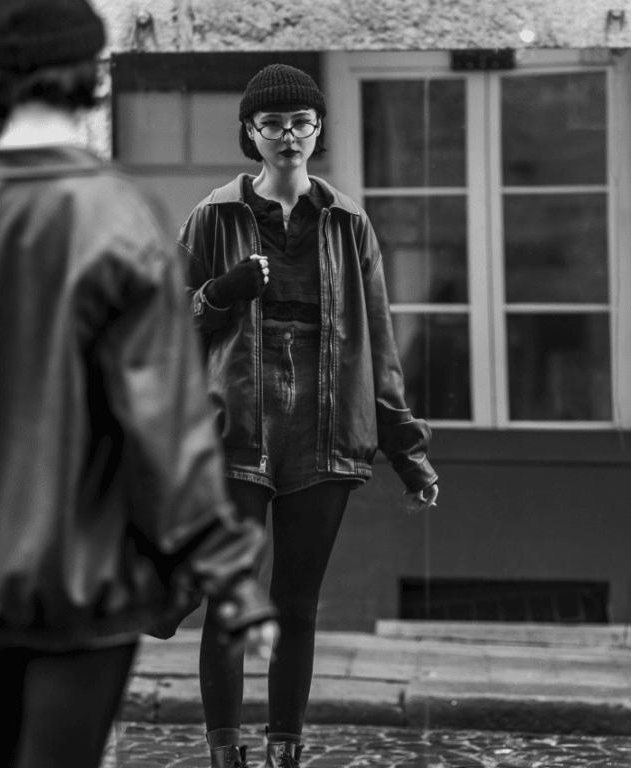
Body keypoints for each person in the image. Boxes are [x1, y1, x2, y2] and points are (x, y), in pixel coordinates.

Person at [0, 2, 277, 767]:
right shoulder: (119, 218)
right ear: (89, 81)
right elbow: (167, 423)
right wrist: (227, 571)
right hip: (86, 587)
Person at [177, 63, 440, 768]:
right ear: (250, 134)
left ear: (318, 129)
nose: (287, 135)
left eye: (300, 122)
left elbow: (378, 345)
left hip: (324, 429)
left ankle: (284, 751)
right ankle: (225, 753)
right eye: (272, 124)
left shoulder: (349, 222)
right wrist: (219, 293)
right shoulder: (214, 217)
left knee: (296, 602)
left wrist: (407, 453)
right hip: (234, 424)